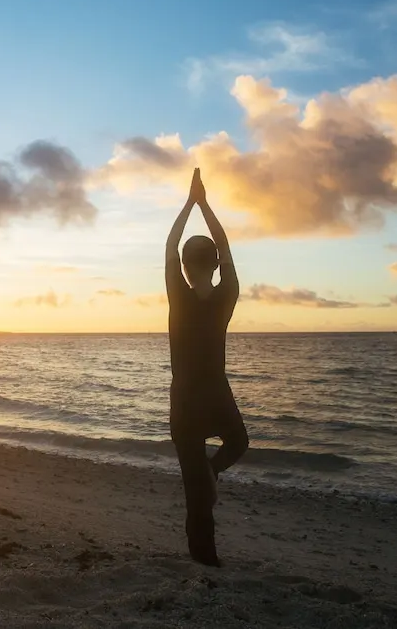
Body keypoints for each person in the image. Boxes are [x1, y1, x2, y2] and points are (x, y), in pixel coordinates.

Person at [165, 167, 249, 567]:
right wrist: (205, 204)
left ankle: (204, 554)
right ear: (214, 265)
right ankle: (211, 477)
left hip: (186, 399)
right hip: (214, 393)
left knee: (195, 488)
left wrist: (190, 204)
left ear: (184, 265)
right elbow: (226, 247)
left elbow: (170, 246)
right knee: (238, 443)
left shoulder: (178, 295)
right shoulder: (225, 295)